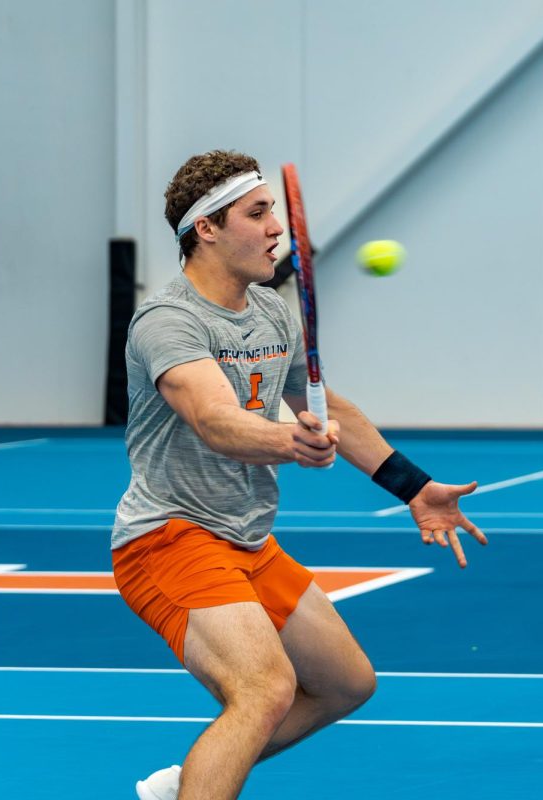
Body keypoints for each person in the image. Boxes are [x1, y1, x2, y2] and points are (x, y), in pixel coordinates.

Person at [115, 150, 487, 800]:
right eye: (257, 214)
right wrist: (290, 441)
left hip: (248, 541)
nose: (275, 228)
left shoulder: (272, 312)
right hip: (168, 538)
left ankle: (192, 781)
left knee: (347, 682)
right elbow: (213, 417)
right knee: (263, 689)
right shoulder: (168, 321)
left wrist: (414, 487)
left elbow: (329, 407)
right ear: (206, 227)